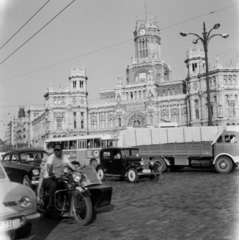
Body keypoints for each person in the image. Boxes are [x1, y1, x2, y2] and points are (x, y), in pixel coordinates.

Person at [43, 143, 77, 209]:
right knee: (53, 185)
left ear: (61, 150)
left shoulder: (64, 157)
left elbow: (71, 166)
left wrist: (78, 170)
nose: (56, 151)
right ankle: (50, 204)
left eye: (58, 150)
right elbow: (49, 167)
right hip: (49, 178)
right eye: (55, 150)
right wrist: (50, 173)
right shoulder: (51, 157)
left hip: (58, 178)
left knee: (69, 185)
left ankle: (67, 203)